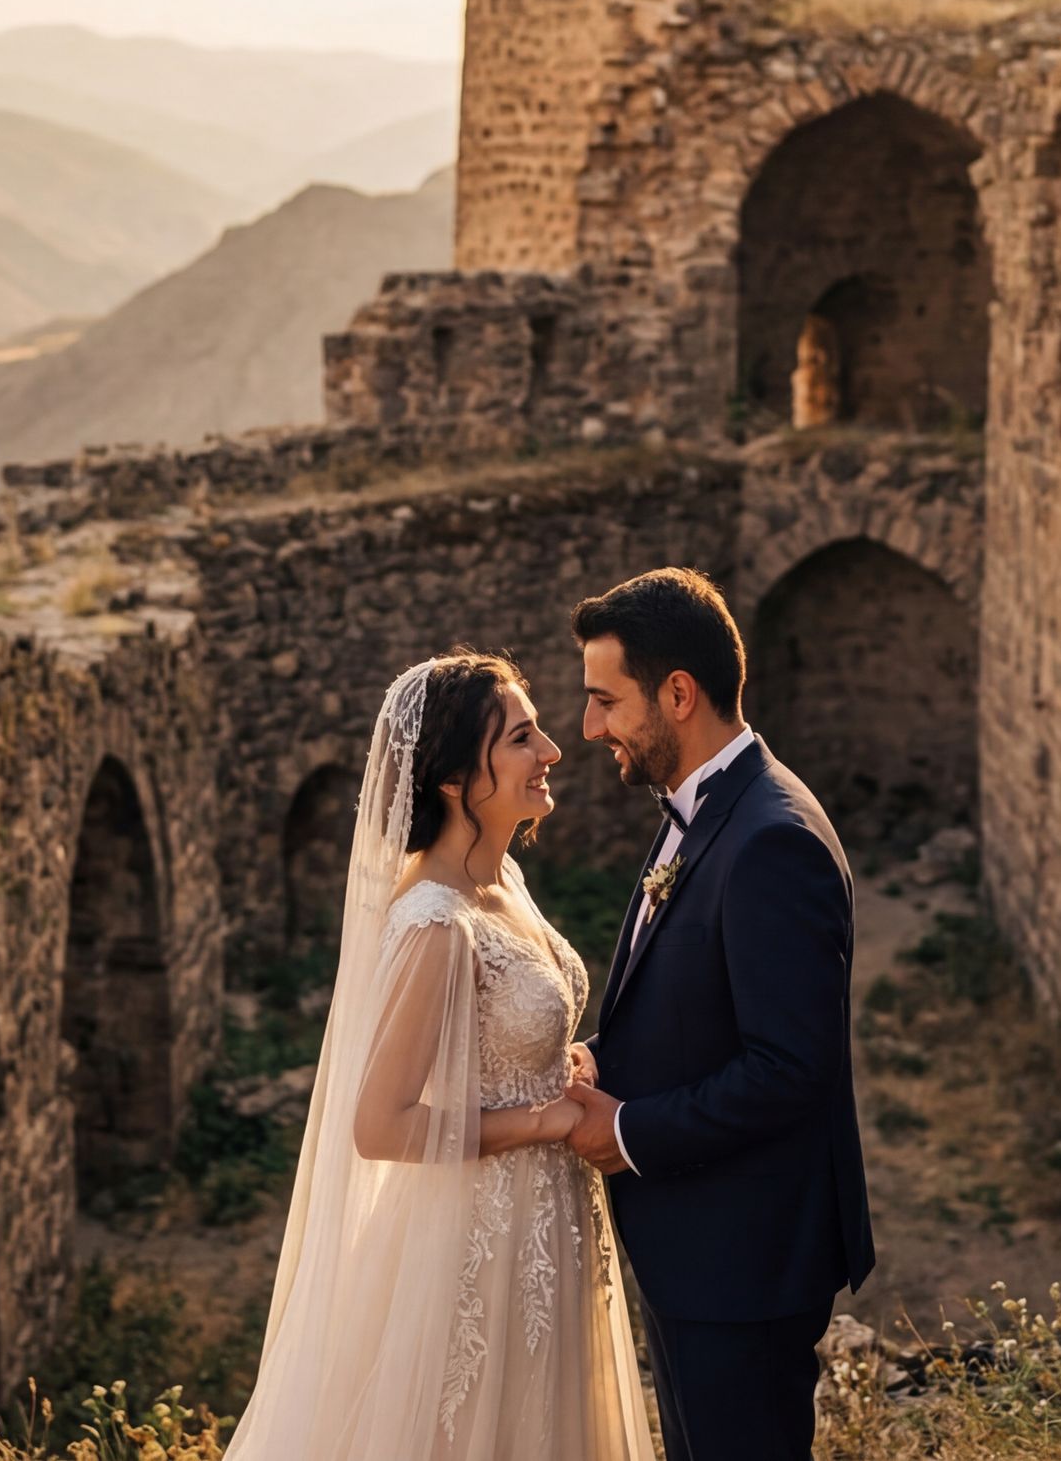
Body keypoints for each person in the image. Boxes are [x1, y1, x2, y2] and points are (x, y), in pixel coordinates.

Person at [221, 651, 657, 1461]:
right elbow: (380, 1124)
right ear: (458, 779)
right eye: (524, 737)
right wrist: (544, 1117)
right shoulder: (435, 921)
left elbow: (497, 1043)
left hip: (547, 1223)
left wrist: (565, 1064)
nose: (553, 750)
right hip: (475, 1245)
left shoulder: (504, 879)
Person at [562, 567, 876, 1461]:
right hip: (695, 1247)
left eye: (604, 700)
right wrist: (600, 1056)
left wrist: (626, 1129)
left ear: (678, 693)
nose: (590, 728)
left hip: (742, 1265)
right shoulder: (699, 807)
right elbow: (699, 1000)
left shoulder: (773, 836)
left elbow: (790, 1068)